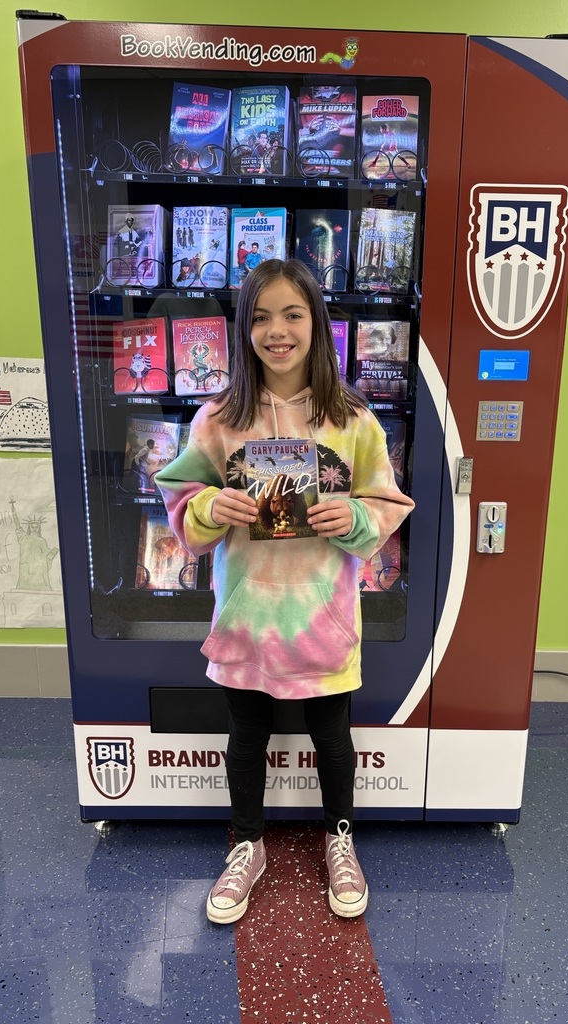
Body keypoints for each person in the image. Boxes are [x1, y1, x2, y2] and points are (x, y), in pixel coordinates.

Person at [155, 258, 414, 925]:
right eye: (261, 316)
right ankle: (247, 843)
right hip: (246, 618)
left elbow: (384, 503)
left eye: (292, 314)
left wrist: (351, 517)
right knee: (246, 735)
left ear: (316, 324)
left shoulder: (352, 419)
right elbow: (180, 501)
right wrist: (215, 507)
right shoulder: (218, 418)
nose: (278, 330)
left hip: (322, 618)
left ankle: (341, 836)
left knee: (333, 737)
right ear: (243, 330)